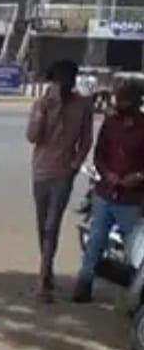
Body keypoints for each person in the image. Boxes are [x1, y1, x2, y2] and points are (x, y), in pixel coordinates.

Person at [26, 59, 93, 303]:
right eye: (59, 79)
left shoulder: (83, 105)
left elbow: (86, 140)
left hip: (63, 174)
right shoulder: (42, 104)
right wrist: (44, 111)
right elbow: (32, 137)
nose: (63, 84)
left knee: (52, 225)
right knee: (42, 225)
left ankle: (43, 281)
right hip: (41, 171)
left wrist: (75, 165)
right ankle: (48, 268)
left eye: (68, 78)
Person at [73, 81, 144, 303]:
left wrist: (139, 176)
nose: (119, 103)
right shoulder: (110, 123)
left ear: (136, 101)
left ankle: (135, 295)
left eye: (124, 99)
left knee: (134, 247)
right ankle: (84, 284)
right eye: (118, 98)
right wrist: (107, 173)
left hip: (131, 198)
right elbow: (99, 155)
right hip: (105, 192)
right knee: (95, 240)